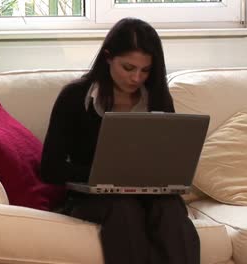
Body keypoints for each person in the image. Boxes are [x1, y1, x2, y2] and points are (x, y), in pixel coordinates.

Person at [40, 18, 200, 264]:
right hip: (92, 197)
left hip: (149, 193)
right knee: (123, 208)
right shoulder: (74, 97)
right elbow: (50, 168)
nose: (136, 78)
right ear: (107, 57)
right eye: (128, 68)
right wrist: (101, 174)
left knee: (169, 209)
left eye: (145, 70)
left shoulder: (157, 99)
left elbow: (169, 157)